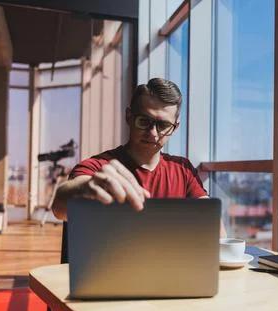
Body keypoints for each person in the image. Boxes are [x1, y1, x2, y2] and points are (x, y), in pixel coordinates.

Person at [51, 78, 226, 261]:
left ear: (175, 128)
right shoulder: (98, 168)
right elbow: (60, 206)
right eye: (144, 121)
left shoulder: (184, 170)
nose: (153, 133)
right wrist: (84, 189)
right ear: (129, 116)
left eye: (163, 125)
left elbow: (214, 225)